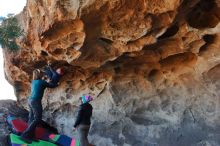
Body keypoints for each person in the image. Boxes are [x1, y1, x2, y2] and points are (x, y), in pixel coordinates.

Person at [20, 69, 59, 143]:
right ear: (39, 75)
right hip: (35, 101)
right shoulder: (41, 82)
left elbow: (43, 83)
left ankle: (31, 136)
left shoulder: (34, 82)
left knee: (31, 118)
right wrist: (57, 83)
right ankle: (25, 135)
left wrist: (46, 79)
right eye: (41, 73)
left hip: (30, 100)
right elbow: (52, 85)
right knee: (37, 119)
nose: (43, 74)